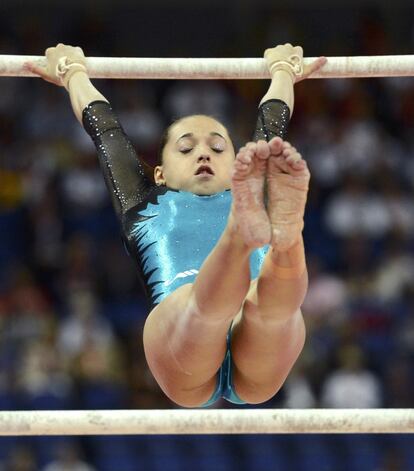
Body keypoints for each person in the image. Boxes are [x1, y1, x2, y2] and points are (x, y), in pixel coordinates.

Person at [26, 44, 326, 407]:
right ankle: (253, 238)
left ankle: (286, 238)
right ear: (160, 174)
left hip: (256, 336)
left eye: (218, 148)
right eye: (186, 149)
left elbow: (272, 124)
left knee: (272, 310)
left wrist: (283, 70)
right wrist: (72, 73)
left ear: (235, 167)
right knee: (205, 309)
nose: (203, 153)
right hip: (182, 343)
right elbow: (106, 132)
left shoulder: (252, 177)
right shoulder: (143, 202)